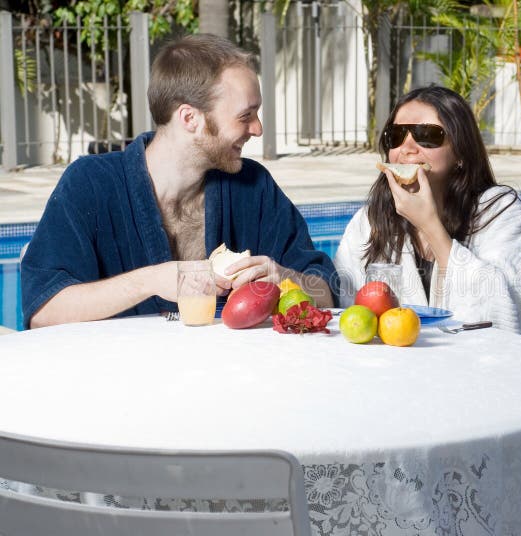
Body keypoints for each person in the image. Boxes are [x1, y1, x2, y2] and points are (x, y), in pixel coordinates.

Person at [21, 34, 337, 329]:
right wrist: (150, 281)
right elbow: (42, 311)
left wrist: (284, 277)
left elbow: (329, 292)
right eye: (246, 115)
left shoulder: (254, 187)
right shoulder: (89, 183)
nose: (258, 129)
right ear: (189, 118)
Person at [334, 85, 521, 339]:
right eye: (396, 136)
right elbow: (347, 310)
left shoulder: (498, 209)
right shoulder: (369, 221)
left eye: (427, 135)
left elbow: (500, 316)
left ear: (460, 152)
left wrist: (429, 225)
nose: (407, 147)